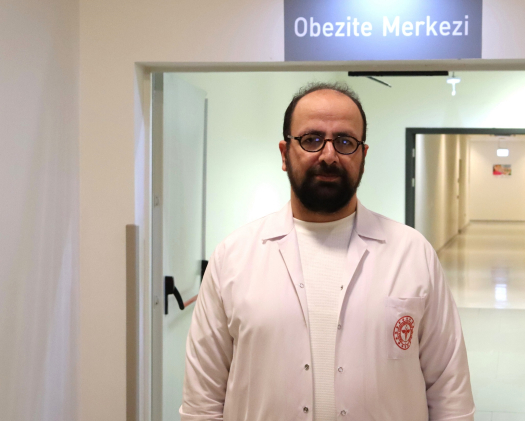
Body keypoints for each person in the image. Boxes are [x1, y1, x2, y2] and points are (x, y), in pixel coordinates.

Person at [179, 82, 475, 421]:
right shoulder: (232, 258)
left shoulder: (413, 253)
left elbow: (450, 392)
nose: (329, 155)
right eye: (311, 139)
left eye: (345, 141)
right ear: (284, 154)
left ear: (363, 156)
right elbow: (202, 403)